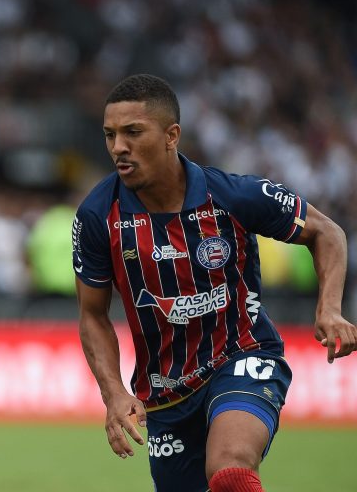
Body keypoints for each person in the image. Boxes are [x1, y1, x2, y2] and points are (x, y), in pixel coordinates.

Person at [72, 73, 356, 492]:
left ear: (172, 135)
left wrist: (330, 307)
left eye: (133, 132)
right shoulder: (97, 216)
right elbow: (93, 315)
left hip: (242, 356)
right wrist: (113, 393)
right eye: (110, 135)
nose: (119, 147)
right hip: (165, 392)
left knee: (231, 468)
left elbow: (326, 231)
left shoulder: (233, 196)